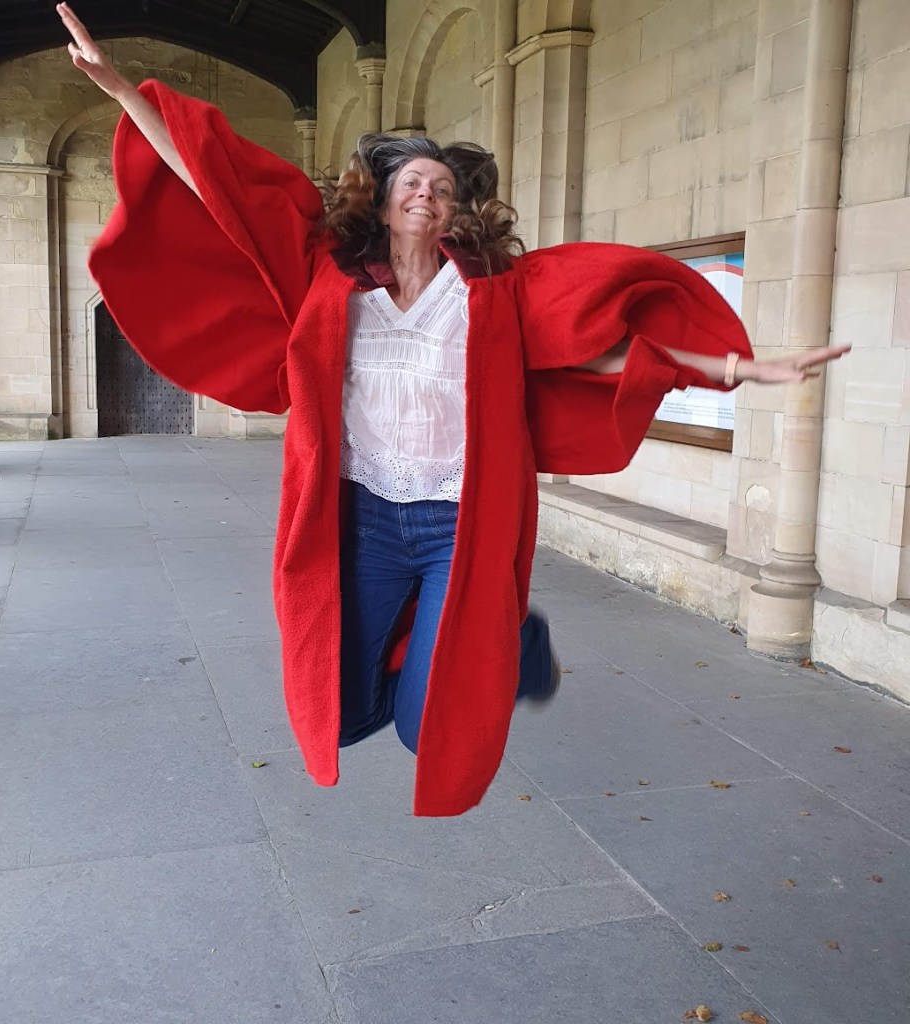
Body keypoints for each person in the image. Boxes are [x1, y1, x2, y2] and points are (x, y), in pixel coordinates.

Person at [57, 3, 848, 817]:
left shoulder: (491, 298)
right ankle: (477, 642)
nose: (427, 195)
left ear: (454, 210)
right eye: (412, 183)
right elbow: (217, 183)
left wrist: (734, 365)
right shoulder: (327, 283)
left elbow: (598, 343)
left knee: (421, 728)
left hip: (454, 522)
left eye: (441, 187)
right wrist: (121, 90)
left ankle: (505, 644)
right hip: (361, 517)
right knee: (341, 710)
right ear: (385, 198)